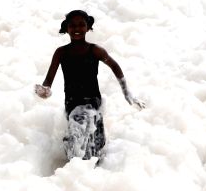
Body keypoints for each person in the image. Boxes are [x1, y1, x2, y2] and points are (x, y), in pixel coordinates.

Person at [34, 10, 145, 160]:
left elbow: (115, 66)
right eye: (72, 25)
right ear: (66, 28)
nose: (77, 29)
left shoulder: (95, 50)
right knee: (77, 140)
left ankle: (95, 173)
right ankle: (73, 169)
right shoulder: (61, 53)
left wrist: (127, 93)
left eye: (81, 25)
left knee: (97, 146)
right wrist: (45, 90)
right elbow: (48, 80)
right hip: (72, 102)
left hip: (93, 101)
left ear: (88, 27)